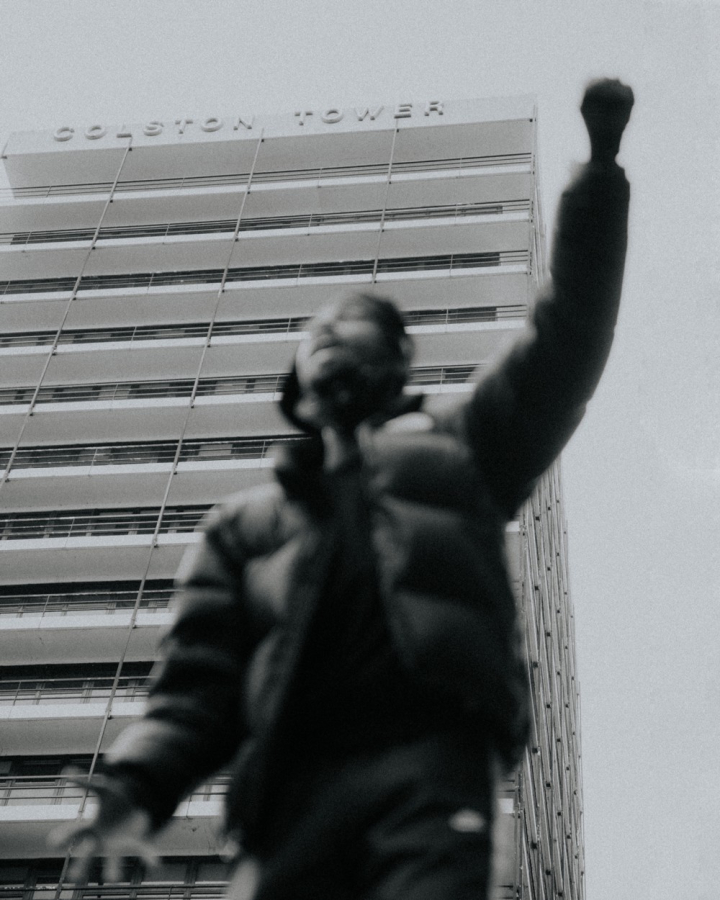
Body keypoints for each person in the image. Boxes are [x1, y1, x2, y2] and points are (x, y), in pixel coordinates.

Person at [51, 78, 634, 900]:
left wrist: (599, 175)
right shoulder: (242, 526)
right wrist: (135, 787)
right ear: (297, 385)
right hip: (288, 795)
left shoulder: (465, 450)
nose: (327, 333)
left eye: (352, 322)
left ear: (398, 361)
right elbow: (196, 689)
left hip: (430, 764)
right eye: (313, 333)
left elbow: (567, 337)